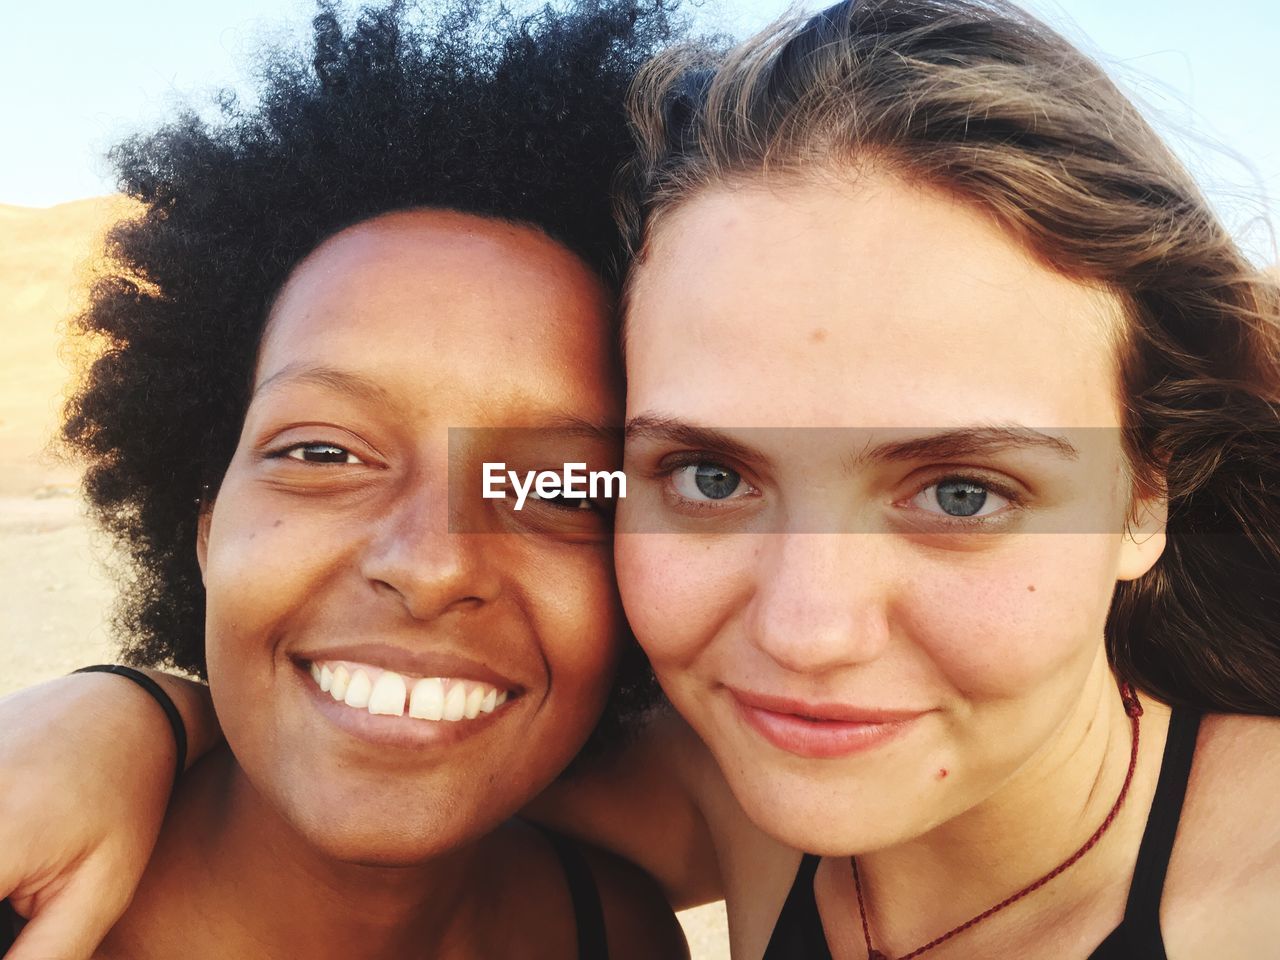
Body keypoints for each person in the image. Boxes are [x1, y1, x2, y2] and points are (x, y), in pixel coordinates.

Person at [4, 0, 1279, 957]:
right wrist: (126, 711)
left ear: (1146, 495)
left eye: (961, 492)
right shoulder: (732, 783)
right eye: (709, 476)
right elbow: (394, 719)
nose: (804, 633)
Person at [0, 2, 690, 958]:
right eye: (323, 454)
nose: (433, 564)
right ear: (205, 526)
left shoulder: (617, 931)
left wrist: (143, 711)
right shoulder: (22, 885)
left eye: (563, 491)